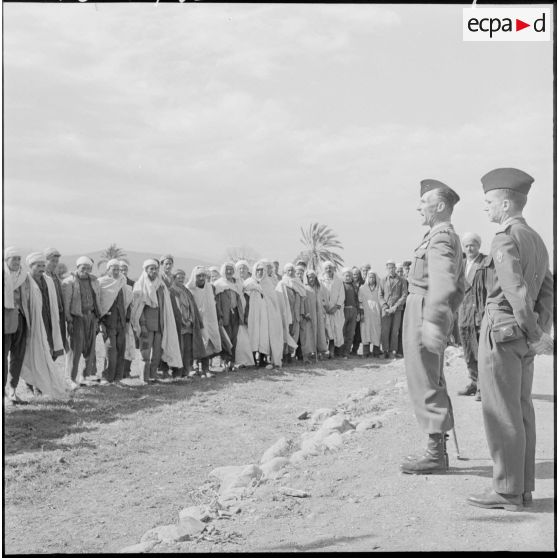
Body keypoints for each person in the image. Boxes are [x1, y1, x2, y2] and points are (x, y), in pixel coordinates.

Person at [467, 168, 553, 511]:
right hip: (523, 337)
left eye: (489, 202)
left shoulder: (504, 238)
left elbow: (516, 292)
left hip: (502, 332)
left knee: (501, 412)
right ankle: (523, 488)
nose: (486, 208)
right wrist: (538, 332)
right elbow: (547, 292)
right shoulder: (536, 238)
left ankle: (506, 490)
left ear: (505, 203)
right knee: (521, 410)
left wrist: (534, 332)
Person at [400, 179, 464, 475]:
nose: (418, 206)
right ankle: (437, 448)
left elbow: (445, 284)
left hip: (425, 311)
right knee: (430, 378)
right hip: (427, 309)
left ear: (439, 207)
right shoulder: (441, 236)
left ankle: (435, 454)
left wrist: (434, 321)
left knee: (425, 380)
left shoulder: (440, 238)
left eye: (424, 201)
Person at [19, 252, 70, 399]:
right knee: (32, 353)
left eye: (42, 265)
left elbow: (53, 301)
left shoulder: (48, 280)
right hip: (33, 322)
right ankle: (32, 384)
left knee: (49, 351)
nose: (41, 268)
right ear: (30, 266)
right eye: (38, 265)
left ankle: (42, 383)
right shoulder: (25, 281)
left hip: (48, 321)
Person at [130, 259, 182, 383]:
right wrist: (141, 325)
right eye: (151, 268)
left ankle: (153, 374)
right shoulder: (140, 285)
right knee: (145, 353)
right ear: (146, 270)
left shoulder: (161, 285)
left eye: (155, 268)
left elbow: (165, 306)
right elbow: (137, 309)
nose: (153, 271)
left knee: (157, 353)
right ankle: (144, 377)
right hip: (146, 325)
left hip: (160, 325)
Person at [62, 256, 102, 387]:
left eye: (88, 268)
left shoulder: (94, 281)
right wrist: (69, 320)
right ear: (77, 267)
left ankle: (85, 376)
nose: (85, 270)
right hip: (77, 318)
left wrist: (97, 317)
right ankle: (70, 379)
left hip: (91, 317)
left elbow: (98, 299)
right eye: (83, 267)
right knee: (75, 349)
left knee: (90, 349)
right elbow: (66, 303)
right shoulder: (69, 282)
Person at [457, 232, 486, 400]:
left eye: (472, 245)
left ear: (478, 246)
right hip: (463, 313)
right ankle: (473, 383)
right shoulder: (460, 264)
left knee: (480, 352)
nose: (469, 248)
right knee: (468, 350)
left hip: (479, 313)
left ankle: (483, 387)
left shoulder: (485, 263)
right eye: (467, 245)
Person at [98, 259, 133, 385]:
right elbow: (100, 303)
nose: (117, 272)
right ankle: (107, 376)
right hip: (108, 323)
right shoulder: (102, 283)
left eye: (118, 269)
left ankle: (118, 377)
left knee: (120, 350)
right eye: (114, 269)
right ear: (108, 270)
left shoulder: (122, 283)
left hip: (121, 322)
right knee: (110, 350)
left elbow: (128, 302)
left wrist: (127, 319)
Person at [244, 260, 283, 369]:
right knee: (253, 334)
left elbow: (273, 300)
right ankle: (251, 359)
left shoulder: (268, 283)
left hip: (265, 314)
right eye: (258, 270)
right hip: (253, 313)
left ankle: (261, 359)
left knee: (263, 335)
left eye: (262, 270)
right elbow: (243, 297)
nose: (260, 272)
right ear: (254, 271)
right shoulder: (249, 282)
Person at [186, 266, 222, 377]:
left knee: (208, 342)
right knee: (196, 343)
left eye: (203, 276)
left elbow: (213, 303)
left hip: (209, 319)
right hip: (195, 321)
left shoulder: (209, 288)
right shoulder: (189, 289)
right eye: (199, 276)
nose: (201, 278)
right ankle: (193, 368)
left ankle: (206, 369)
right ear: (194, 277)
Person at [169, 269, 205, 379]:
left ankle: (187, 370)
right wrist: (182, 320)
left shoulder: (186, 290)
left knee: (188, 349)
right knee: (180, 349)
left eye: (182, 278)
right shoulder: (171, 291)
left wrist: (193, 319)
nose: (180, 280)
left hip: (189, 324)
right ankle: (177, 372)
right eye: (178, 278)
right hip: (178, 324)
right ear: (174, 278)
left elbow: (192, 306)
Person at [3, 247, 28, 404]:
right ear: (6, 260)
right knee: (2, 358)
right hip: (4, 321)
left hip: (21, 320)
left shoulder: (23, 276)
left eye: (19, 258)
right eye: (14, 258)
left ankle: (12, 390)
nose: (17, 262)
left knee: (18, 357)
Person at [214, 262, 246, 370]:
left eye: (231, 269)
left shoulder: (236, 283)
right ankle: (224, 361)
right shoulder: (219, 284)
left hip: (235, 314)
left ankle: (232, 362)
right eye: (227, 269)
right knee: (225, 339)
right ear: (223, 270)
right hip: (225, 315)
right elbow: (217, 302)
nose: (229, 271)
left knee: (234, 339)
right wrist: (220, 316)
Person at [277, 263, 306, 363]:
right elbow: (279, 300)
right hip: (286, 314)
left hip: (296, 314)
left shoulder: (298, 284)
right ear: (285, 272)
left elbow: (302, 299)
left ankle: (290, 354)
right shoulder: (282, 284)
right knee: (286, 334)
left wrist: (302, 313)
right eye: (288, 270)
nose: (291, 272)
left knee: (295, 335)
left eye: (292, 270)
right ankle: (284, 355)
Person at [379, 259, 407, 359]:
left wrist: (395, 307)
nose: (391, 269)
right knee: (385, 331)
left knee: (395, 331)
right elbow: (380, 295)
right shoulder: (382, 280)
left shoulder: (402, 280)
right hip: (386, 310)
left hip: (397, 310)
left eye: (393, 267)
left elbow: (404, 295)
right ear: (386, 269)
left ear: (395, 268)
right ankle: (385, 350)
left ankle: (392, 351)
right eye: (389, 267)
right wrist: (385, 307)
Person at [44, 248, 69, 354]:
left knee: (57, 343)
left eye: (56, 261)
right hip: (47, 315)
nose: (55, 264)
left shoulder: (54, 275)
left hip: (58, 314)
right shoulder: (43, 276)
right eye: (52, 261)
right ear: (46, 260)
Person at [302, 268, 328, 360]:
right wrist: (306, 312)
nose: (311, 279)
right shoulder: (304, 288)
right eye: (309, 277)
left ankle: (319, 353)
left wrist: (323, 312)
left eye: (313, 277)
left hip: (319, 315)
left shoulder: (318, 288)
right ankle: (307, 355)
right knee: (308, 334)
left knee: (319, 332)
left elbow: (322, 300)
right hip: (309, 315)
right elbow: (303, 302)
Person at [320, 261, 345, 358]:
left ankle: (334, 352)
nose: (328, 270)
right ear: (324, 269)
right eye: (326, 268)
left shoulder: (339, 281)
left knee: (336, 330)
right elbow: (319, 295)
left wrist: (336, 307)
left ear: (333, 269)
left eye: (330, 268)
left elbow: (341, 295)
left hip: (336, 311)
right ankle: (325, 353)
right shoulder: (320, 280)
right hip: (324, 310)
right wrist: (325, 307)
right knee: (326, 331)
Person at [358, 270, 382, 357]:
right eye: (370, 277)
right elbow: (360, 301)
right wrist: (361, 313)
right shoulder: (362, 288)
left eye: (373, 277)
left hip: (376, 313)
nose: (372, 279)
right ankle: (366, 353)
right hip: (366, 313)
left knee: (376, 331)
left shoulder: (379, 288)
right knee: (365, 332)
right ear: (368, 278)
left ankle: (376, 352)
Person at [119, 260, 136, 377]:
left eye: (125, 269)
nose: (123, 271)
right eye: (120, 269)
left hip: (129, 319)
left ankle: (127, 371)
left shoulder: (131, 283)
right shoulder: (113, 282)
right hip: (116, 319)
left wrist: (129, 317)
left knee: (129, 345)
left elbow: (133, 302)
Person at [341, 267, 359, 358]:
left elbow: (357, 300)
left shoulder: (354, 286)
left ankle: (347, 352)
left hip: (353, 310)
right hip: (344, 310)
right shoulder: (341, 286)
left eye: (349, 275)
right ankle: (340, 351)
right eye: (346, 275)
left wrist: (358, 311)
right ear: (343, 276)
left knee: (351, 333)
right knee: (342, 332)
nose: (348, 277)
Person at [395, 262, 409, 357]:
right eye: (399, 271)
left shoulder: (409, 281)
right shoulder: (397, 281)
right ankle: (399, 350)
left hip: (408, 309)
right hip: (399, 308)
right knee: (399, 330)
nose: (401, 272)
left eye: (407, 269)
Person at [350, 267, 365, 356]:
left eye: (357, 274)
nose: (355, 276)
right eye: (354, 274)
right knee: (350, 331)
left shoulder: (363, 284)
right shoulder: (348, 284)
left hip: (360, 309)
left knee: (358, 332)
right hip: (351, 309)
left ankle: (355, 350)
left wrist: (360, 312)